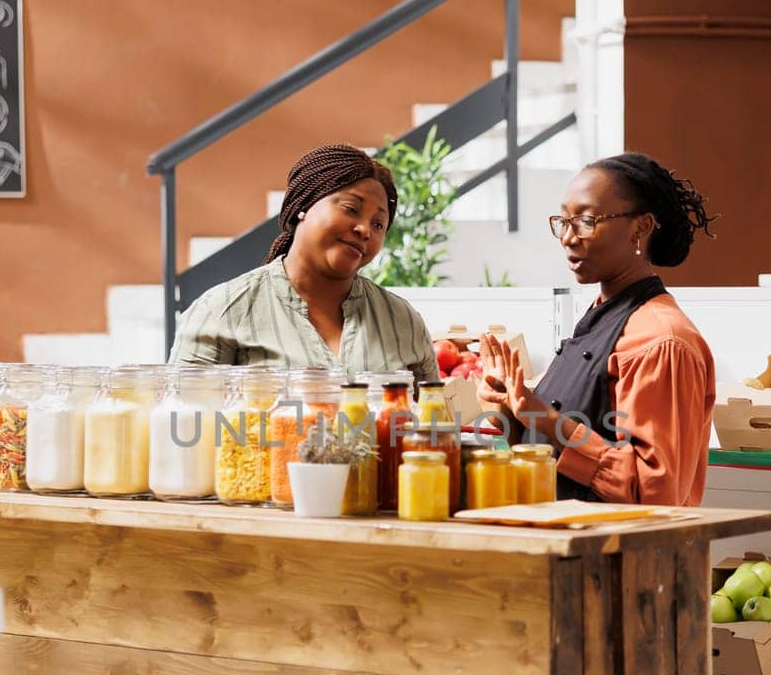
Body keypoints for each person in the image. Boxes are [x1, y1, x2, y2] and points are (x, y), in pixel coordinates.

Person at [476, 152, 716, 506]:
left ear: (641, 228)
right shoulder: (601, 317)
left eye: (586, 221)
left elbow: (655, 492)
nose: (568, 238)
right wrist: (510, 411)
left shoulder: (663, 341)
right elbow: (555, 458)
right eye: (564, 221)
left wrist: (547, 419)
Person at [168, 143, 440, 381]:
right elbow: (184, 425)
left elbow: (433, 426)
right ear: (304, 206)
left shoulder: (402, 321)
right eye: (351, 209)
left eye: (378, 224)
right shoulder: (223, 311)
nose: (365, 230)